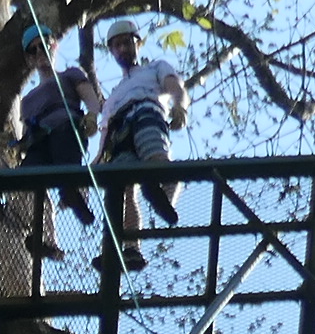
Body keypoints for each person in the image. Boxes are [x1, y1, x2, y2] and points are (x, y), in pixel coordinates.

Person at [96, 21, 187, 255]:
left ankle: (162, 200)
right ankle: (129, 247)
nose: (123, 49)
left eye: (127, 43)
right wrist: (98, 159)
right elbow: (105, 132)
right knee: (122, 189)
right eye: (117, 46)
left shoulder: (155, 67)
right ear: (112, 51)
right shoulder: (113, 97)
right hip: (118, 130)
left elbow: (174, 86)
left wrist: (180, 107)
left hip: (146, 111)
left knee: (159, 161)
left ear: (137, 43)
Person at [13, 35, 93, 258]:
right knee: (28, 179)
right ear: (29, 59)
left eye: (43, 46)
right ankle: (45, 238)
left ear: (54, 46)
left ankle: (72, 192)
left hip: (66, 126)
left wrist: (94, 116)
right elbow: (28, 130)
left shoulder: (70, 75)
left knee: (64, 154)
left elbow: (90, 99)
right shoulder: (27, 100)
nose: (40, 53)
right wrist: (18, 145)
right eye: (33, 50)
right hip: (39, 139)